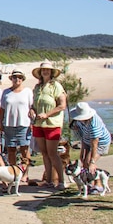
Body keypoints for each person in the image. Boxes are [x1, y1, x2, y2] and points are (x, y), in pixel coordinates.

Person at [31, 61, 68, 189]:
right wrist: (32, 110)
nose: (45, 72)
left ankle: (61, 181)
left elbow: (62, 105)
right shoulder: (37, 87)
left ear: (51, 72)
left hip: (52, 124)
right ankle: (49, 180)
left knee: (53, 153)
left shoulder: (56, 86)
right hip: (38, 124)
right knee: (44, 153)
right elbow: (34, 104)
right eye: (43, 70)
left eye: (47, 70)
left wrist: (47, 114)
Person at [0, 69, 34, 183]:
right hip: (9, 124)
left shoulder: (27, 91)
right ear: (11, 79)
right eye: (15, 77)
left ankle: (25, 173)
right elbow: (2, 108)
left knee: (24, 149)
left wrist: (32, 121)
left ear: (22, 79)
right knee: (11, 150)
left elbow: (31, 107)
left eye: (19, 77)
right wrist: (1, 123)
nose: (17, 79)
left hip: (24, 123)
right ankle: (13, 173)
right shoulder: (6, 92)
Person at [68, 102, 111, 192]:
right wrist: (82, 154)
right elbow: (84, 137)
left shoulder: (94, 125)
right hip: (87, 140)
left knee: (88, 163)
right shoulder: (80, 122)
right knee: (84, 162)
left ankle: (98, 185)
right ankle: (89, 184)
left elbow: (95, 144)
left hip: (101, 143)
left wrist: (92, 161)